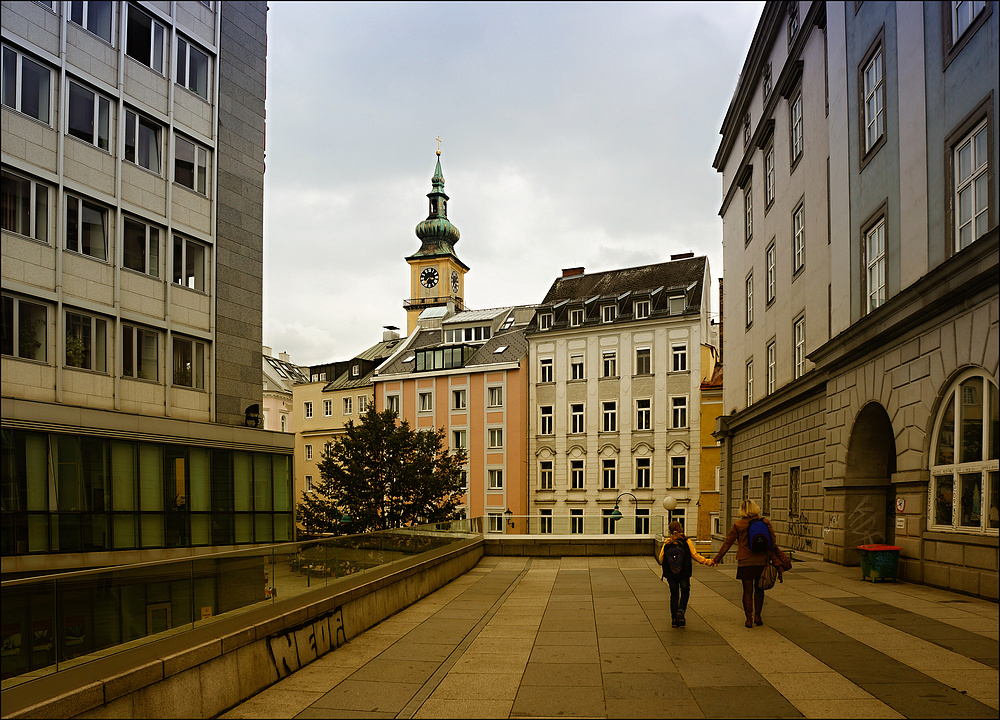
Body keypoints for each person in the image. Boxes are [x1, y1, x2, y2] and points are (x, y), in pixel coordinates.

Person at [713, 499, 776, 628]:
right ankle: (758, 617)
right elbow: (773, 541)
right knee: (759, 589)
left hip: (745, 562)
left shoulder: (738, 524)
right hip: (761, 561)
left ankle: (748, 619)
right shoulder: (764, 522)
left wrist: (717, 558)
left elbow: (727, 543)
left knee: (747, 591)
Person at [658, 520, 714, 627]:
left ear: (670, 530)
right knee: (685, 592)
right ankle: (681, 611)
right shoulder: (687, 541)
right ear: (681, 529)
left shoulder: (667, 542)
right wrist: (708, 561)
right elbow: (695, 555)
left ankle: (674, 620)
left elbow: (661, 559)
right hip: (684, 572)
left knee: (674, 595)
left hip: (671, 573)